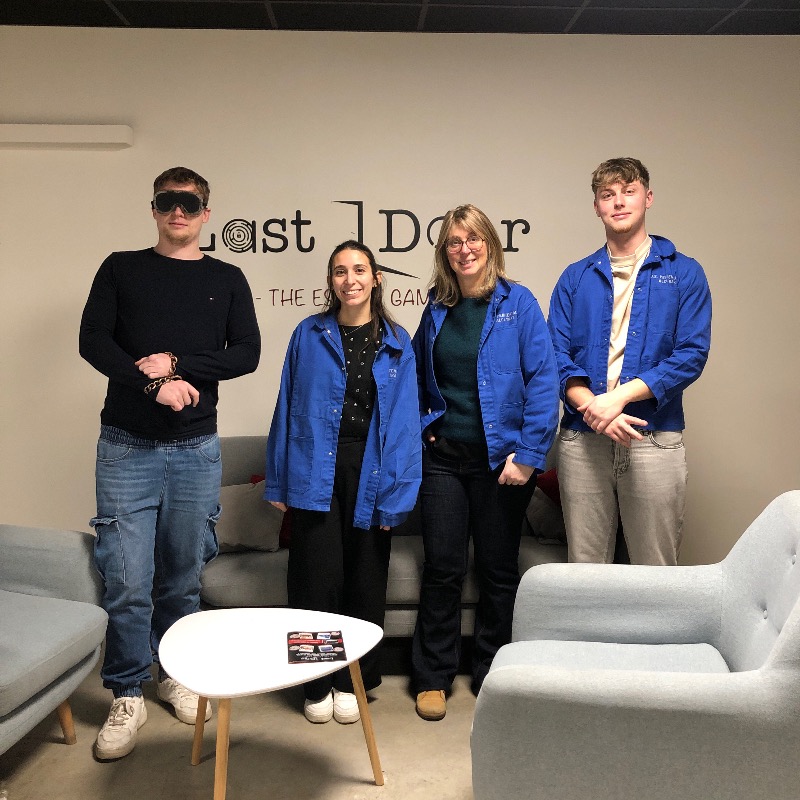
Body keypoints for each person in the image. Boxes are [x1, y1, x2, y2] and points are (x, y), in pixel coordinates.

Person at [79, 166, 261, 760]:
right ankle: (126, 691)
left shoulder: (226, 278)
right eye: (167, 201)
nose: (177, 211)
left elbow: (248, 353)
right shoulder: (120, 268)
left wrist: (179, 366)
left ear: (206, 213)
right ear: (154, 208)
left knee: (182, 575)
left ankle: (173, 673)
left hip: (194, 449)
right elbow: (93, 340)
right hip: (125, 446)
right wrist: (151, 383)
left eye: (189, 202)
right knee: (127, 578)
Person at [411, 204, 559, 721]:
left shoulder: (519, 303)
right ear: (444, 252)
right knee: (443, 568)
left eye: (473, 239)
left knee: (497, 571)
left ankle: (493, 672)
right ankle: (433, 677)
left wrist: (529, 456)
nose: (464, 249)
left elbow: (543, 381)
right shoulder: (436, 307)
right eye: (454, 242)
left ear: (490, 244)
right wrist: (423, 430)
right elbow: (416, 377)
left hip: (504, 463)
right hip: (444, 462)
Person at [265, 240, 421, 725]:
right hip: (314, 465)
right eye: (339, 271)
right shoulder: (308, 334)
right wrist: (279, 481)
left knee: (365, 580)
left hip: (371, 468)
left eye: (359, 270)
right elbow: (286, 405)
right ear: (330, 281)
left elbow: (405, 425)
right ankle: (316, 682)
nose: (349, 279)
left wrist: (396, 494)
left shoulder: (397, 341)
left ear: (376, 278)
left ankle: (354, 681)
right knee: (314, 581)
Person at [548, 157, 711, 566]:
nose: (618, 202)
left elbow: (691, 355)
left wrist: (616, 399)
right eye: (608, 195)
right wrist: (594, 409)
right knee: (585, 571)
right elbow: (555, 355)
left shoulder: (685, 273)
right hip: (583, 441)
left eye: (628, 191)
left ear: (647, 198)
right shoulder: (575, 278)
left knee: (655, 570)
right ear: (596, 207)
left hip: (653, 438)